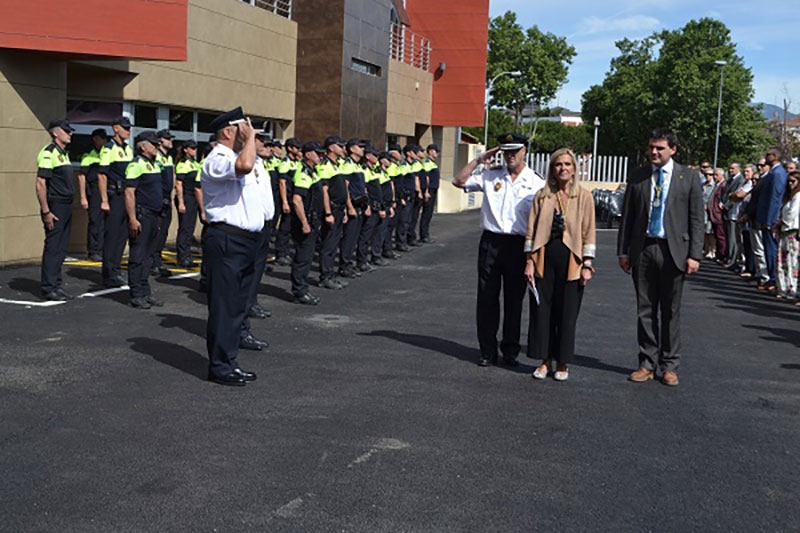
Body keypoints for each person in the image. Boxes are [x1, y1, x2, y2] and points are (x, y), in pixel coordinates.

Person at [617, 128, 704, 387]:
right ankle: (646, 362)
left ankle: (669, 364)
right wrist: (623, 251)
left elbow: (697, 218)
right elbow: (628, 218)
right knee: (645, 310)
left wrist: (694, 255)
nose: (654, 152)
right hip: (644, 249)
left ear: (673, 149)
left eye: (660, 148)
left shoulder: (688, 177)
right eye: (652, 147)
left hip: (674, 251)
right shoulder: (638, 176)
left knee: (671, 310)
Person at [452, 133, 545, 367]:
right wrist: (478, 159)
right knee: (486, 298)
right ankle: (487, 350)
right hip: (491, 242)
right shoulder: (490, 175)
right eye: (506, 151)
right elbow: (459, 181)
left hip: (518, 245)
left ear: (525, 150)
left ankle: (510, 349)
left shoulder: (536, 182)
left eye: (515, 150)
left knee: (514, 300)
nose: (510, 155)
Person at [202, 107, 262, 387]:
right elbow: (245, 167)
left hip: (245, 241)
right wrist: (249, 140)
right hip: (226, 238)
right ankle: (220, 366)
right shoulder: (217, 158)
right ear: (228, 132)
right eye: (243, 128)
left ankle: (230, 361)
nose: (249, 132)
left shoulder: (236, 155)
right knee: (225, 306)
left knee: (238, 307)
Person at [524, 148, 596, 381]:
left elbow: (589, 231)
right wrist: (529, 262)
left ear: (574, 168)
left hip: (572, 261)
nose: (563, 168)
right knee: (542, 310)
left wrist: (587, 264)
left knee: (566, 313)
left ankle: (562, 362)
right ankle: (544, 361)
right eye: (558, 164)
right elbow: (531, 230)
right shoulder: (542, 195)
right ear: (552, 169)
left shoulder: (584, 197)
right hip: (545, 259)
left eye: (567, 164)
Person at [238, 131, 275, 350]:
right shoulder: (242, 162)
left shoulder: (260, 163)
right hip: (249, 227)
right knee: (243, 278)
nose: (265, 144)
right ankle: (241, 328)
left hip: (264, 224)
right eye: (260, 139)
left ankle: (251, 306)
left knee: (255, 272)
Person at [36, 118, 76, 301]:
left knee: (61, 248)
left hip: (66, 205)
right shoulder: (48, 153)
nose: (70, 134)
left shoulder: (63, 153)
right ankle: (48, 287)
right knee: (53, 247)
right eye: (67, 131)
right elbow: (40, 184)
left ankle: (56, 284)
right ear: (55, 133)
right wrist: (46, 211)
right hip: (56, 205)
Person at [124, 131, 166, 309]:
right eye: (153, 144)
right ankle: (136, 294)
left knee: (148, 256)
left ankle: (145, 291)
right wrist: (133, 218)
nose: (157, 147)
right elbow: (129, 193)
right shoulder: (136, 165)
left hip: (154, 215)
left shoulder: (154, 164)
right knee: (138, 255)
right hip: (142, 215)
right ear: (143, 146)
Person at [98, 116, 134, 288]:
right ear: (115, 128)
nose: (128, 131)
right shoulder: (108, 148)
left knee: (122, 236)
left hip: (126, 196)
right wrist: (104, 200)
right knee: (112, 236)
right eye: (125, 128)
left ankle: (116, 269)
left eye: (129, 128)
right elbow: (102, 175)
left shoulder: (128, 148)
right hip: (115, 196)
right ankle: (108, 273)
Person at [291, 142, 327, 305]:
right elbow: (297, 200)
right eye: (317, 153)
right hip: (306, 221)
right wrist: (305, 222)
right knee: (303, 257)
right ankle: (300, 291)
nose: (321, 156)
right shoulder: (303, 172)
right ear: (307, 154)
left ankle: (303, 288)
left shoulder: (312, 171)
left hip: (313, 219)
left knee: (307, 255)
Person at [317, 136, 350, 289]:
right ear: (331, 147)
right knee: (328, 244)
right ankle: (325, 276)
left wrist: (343, 210)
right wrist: (328, 213)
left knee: (334, 243)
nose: (342, 148)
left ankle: (331, 274)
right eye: (339, 145)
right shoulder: (325, 165)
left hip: (339, 209)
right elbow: (325, 191)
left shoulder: (336, 165)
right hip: (331, 209)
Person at [755, 147, 788, 293]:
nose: (765, 156)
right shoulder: (773, 173)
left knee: (771, 249)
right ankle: (771, 278)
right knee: (768, 249)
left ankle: (774, 279)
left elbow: (775, 198)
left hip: (771, 218)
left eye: (768, 154)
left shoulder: (778, 173)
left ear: (774, 156)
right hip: (764, 216)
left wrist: (770, 220)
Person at [77, 128, 108, 262]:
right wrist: (83, 197)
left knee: (104, 222)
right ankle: (93, 251)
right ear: (95, 139)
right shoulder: (88, 156)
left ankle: (101, 249)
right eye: (101, 138)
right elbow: (81, 177)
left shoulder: (106, 154)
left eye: (105, 138)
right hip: (94, 190)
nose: (104, 141)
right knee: (95, 221)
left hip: (105, 190)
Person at [151, 129, 175, 278]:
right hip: (158, 198)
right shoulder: (156, 156)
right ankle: (153, 263)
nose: (170, 141)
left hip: (166, 197)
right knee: (156, 232)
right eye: (167, 139)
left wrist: (170, 199)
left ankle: (158, 261)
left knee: (163, 232)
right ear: (160, 140)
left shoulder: (169, 158)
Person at [274, 137, 302, 266]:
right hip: (287, 198)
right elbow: (282, 183)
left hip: (294, 198)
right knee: (285, 227)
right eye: (296, 148)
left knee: (291, 227)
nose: (299, 150)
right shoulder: (285, 163)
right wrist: (285, 201)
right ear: (290, 148)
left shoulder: (296, 162)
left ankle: (286, 252)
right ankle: (281, 254)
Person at [174, 140, 202, 267]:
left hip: (194, 197)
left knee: (190, 228)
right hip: (186, 197)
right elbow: (178, 184)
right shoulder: (183, 164)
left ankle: (187, 254)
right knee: (185, 228)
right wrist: (181, 202)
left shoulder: (195, 164)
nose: (194, 150)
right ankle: (182, 257)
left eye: (196, 148)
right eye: (192, 148)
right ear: (185, 150)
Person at [775, 170, 800, 301]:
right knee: (782, 261)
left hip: (792, 232)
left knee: (791, 262)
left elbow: (792, 214)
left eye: (793, 181)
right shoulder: (788, 197)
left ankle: (791, 288)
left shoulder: (798, 196)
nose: (790, 184)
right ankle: (782, 287)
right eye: (789, 181)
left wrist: (781, 222)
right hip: (784, 231)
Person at [419, 144, 440, 243]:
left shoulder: (433, 163)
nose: (437, 153)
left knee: (429, 213)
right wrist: (426, 191)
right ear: (430, 151)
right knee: (426, 213)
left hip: (433, 190)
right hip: (429, 190)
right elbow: (426, 178)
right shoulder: (427, 163)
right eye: (436, 151)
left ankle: (426, 233)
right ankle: (424, 235)